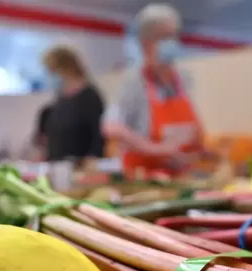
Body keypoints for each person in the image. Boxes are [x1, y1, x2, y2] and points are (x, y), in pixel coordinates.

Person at [101, 3, 207, 179]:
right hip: (145, 179)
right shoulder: (135, 81)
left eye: (173, 36)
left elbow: (190, 129)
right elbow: (110, 126)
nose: (170, 43)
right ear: (145, 43)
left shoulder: (183, 79)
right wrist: (155, 149)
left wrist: (195, 150)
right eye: (163, 37)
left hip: (181, 177)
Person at [41, 45, 105, 162]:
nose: (51, 76)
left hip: (80, 168)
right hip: (56, 165)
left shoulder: (90, 97)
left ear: (66, 68)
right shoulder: (60, 98)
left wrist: (91, 160)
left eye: (53, 71)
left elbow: (98, 136)